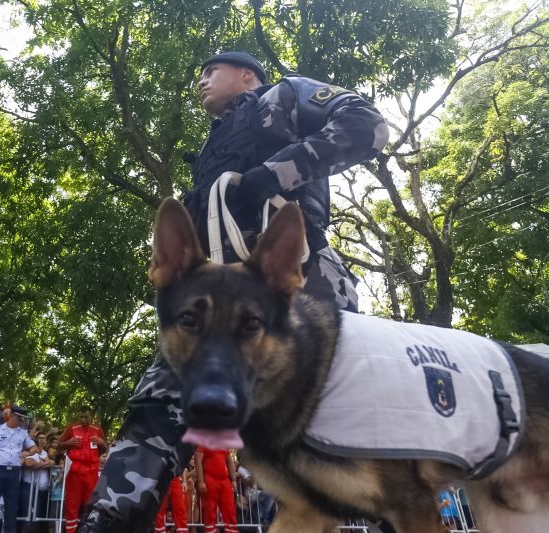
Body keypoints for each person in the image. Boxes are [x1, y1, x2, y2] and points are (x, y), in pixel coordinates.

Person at [79, 51, 389, 532]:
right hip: (215, 299)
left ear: (246, 75)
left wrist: (274, 174)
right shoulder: (210, 147)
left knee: (339, 422)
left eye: (210, 72)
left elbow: (366, 124)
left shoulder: (283, 96)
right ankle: (110, 520)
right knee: (158, 407)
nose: (200, 82)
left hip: (300, 290)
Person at [0, 406, 40, 533]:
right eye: (21, 419)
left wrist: (27, 453)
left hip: (14, 472)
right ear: (12, 416)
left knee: (11, 506)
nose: (23, 422)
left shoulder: (23, 433)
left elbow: (35, 449)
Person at [58, 406, 106, 533]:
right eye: (81, 417)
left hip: (91, 473)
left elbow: (104, 449)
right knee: (71, 507)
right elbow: (58, 443)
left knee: (89, 506)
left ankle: (87, 530)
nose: (83, 419)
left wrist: (102, 442)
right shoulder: (71, 429)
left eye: (86, 417)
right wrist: (69, 443)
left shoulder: (97, 430)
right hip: (74, 473)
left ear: (91, 417)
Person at [195, 447, 237, 533]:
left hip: (224, 480)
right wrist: (201, 481)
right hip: (210, 479)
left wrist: (233, 480)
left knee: (230, 510)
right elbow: (198, 461)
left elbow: (229, 462)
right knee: (210, 511)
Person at [20, 431, 53, 532]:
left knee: (38, 514)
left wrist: (40, 464)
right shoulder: (28, 451)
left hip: (41, 489)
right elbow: (29, 464)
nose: (41, 440)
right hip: (29, 486)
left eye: (44, 438)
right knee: (27, 513)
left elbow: (52, 462)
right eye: (40, 438)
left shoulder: (44, 453)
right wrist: (44, 463)